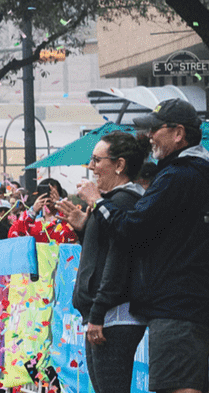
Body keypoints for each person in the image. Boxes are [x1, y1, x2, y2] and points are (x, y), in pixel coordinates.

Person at [75, 99, 209, 393]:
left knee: (178, 386)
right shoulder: (191, 173)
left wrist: (97, 202)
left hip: (176, 306)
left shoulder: (178, 176)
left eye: (154, 128)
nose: (149, 136)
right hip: (185, 303)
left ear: (178, 133)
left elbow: (129, 232)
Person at [58, 131, 151, 393]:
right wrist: (83, 229)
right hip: (104, 314)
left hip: (114, 316)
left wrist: (97, 314)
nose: (91, 167)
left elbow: (117, 262)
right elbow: (101, 252)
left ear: (119, 165)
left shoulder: (123, 202)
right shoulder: (110, 205)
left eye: (97, 160)